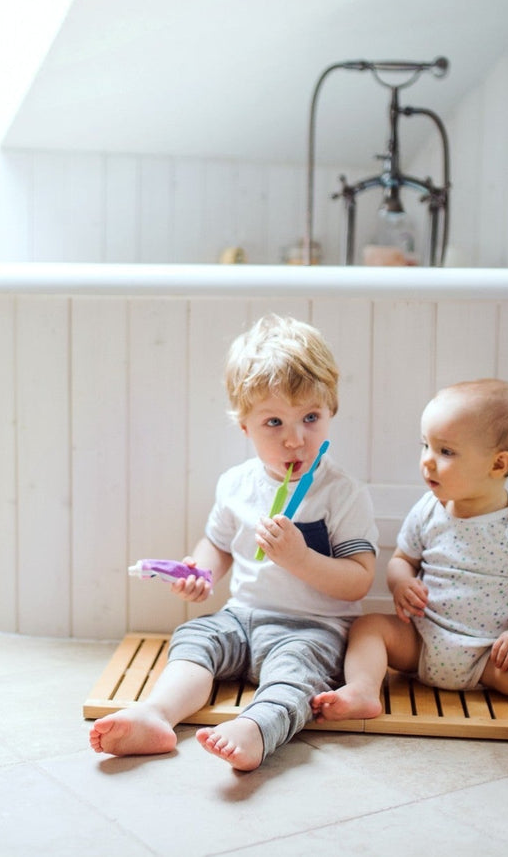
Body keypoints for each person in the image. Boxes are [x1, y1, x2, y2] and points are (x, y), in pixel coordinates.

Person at [89, 314, 378, 771]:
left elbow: (358, 582)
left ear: (330, 412)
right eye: (273, 422)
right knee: (196, 637)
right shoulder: (236, 485)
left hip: (313, 628)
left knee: (296, 674)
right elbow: (218, 543)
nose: (295, 438)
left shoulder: (343, 493)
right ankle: (156, 714)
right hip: (242, 618)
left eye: (310, 417)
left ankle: (257, 727)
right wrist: (201, 572)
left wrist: (299, 557)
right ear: (245, 428)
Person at [311, 379, 508, 774]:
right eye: (426, 445)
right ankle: (363, 691)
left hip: (490, 656)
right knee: (367, 627)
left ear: (498, 464)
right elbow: (401, 559)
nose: (428, 461)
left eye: (446, 451)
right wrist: (401, 583)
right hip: (422, 642)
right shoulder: (428, 510)